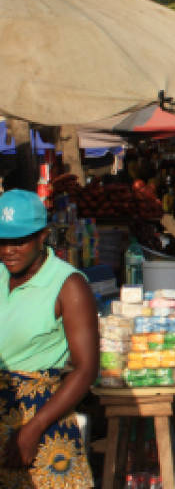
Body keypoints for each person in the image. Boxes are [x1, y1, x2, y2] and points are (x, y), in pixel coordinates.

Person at [0, 190, 98, 487]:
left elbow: (86, 368)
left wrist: (34, 428)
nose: (8, 250)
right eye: (2, 241)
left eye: (19, 241)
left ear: (43, 236)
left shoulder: (68, 285)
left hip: (41, 419)